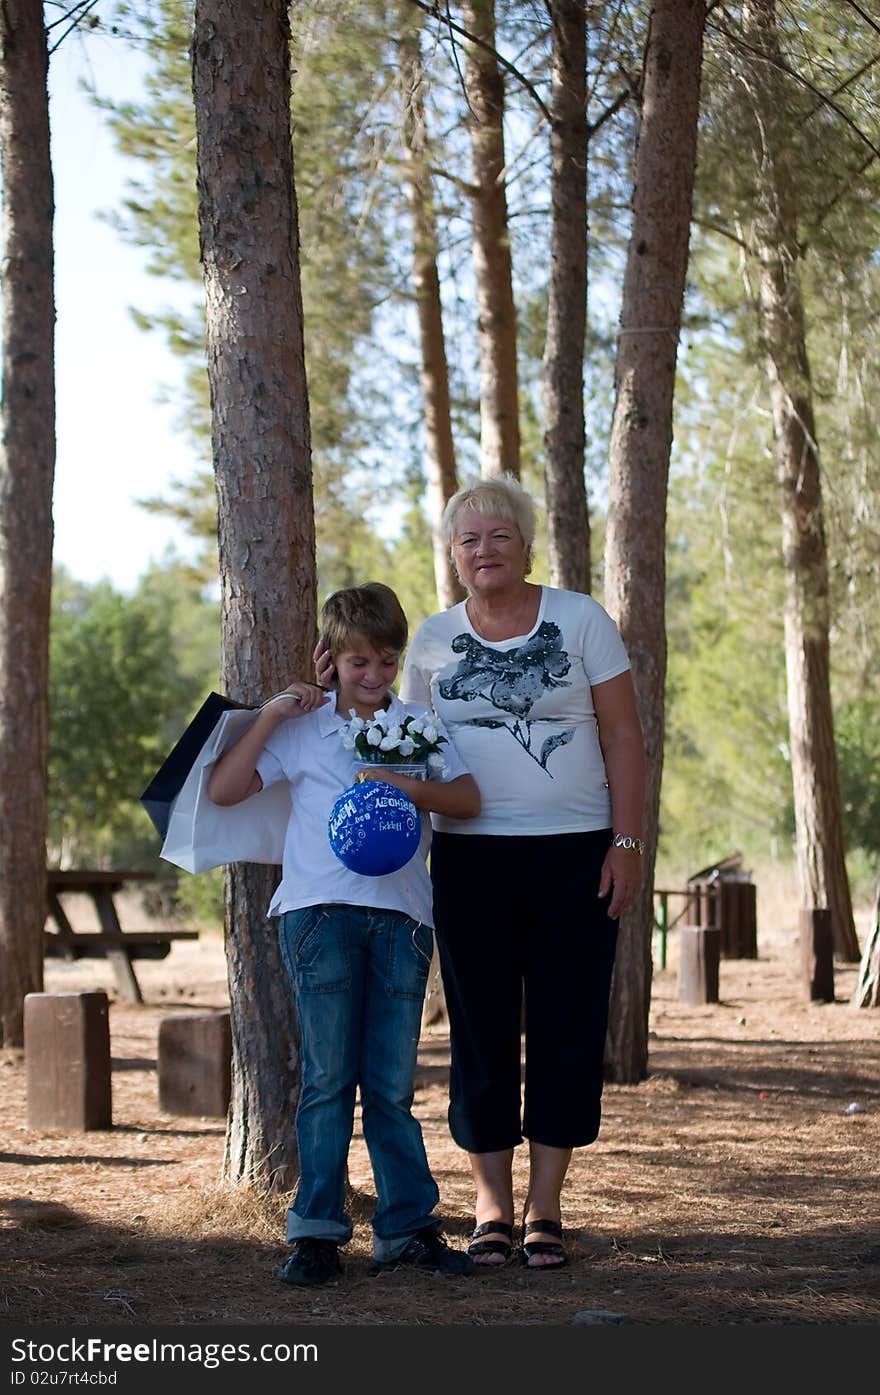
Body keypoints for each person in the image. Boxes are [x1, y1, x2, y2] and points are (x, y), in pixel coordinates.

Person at [319, 477, 645, 1271]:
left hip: (578, 853)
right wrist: (317, 688)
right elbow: (397, 735)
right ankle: (491, 1206)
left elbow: (626, 737)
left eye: (499, 534)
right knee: (482, 1030)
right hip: (467, 859)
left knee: (568, 1026)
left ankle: (547, 1206)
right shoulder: (431, 638)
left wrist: (628, 844)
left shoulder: (581, 619)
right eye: (468, 539)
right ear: (454, 555)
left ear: (525, 543)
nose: (484, 549)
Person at [208, 581, 481, 1287]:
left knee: (390, 1085)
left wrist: (401, 782)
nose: (374, 676)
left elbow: (468, 798)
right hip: (319, 914)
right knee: (328, 1079)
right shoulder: (303, 730)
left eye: (386, 662)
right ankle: (317, 1232)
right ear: (330, 657)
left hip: (401, 918)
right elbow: (225, 790)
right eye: (360, 662)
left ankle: (406, 1228)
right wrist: (272, 713)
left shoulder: (418, 725)